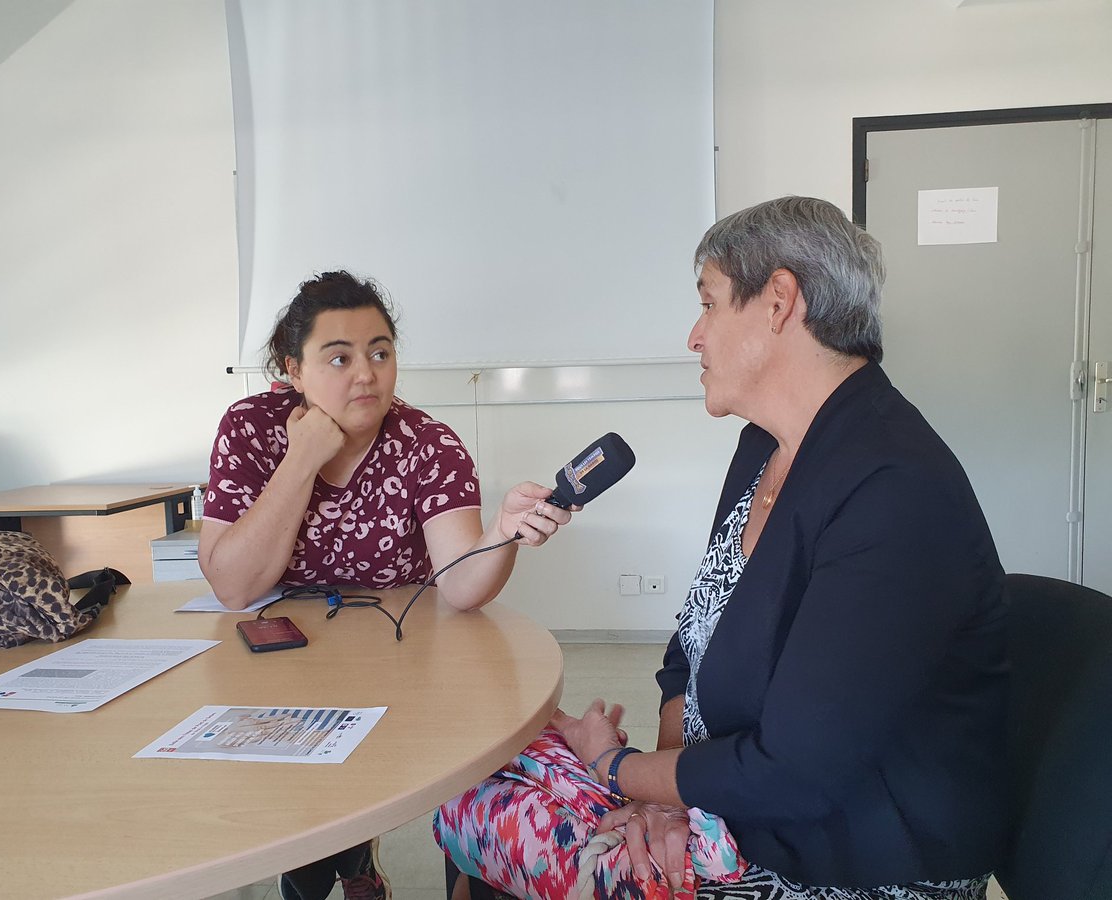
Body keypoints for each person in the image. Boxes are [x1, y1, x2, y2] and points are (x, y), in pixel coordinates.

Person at [446, 197, 1010, 900]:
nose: (693, 335)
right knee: (478, 767)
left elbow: (797, 772)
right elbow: (691, 655)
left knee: (484, 815)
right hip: (737, 804)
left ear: (778, 302)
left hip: (845, 860)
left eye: (708, 304)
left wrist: (619, 767)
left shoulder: (893, 490)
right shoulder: (765, 448)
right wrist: (663, 794)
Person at [198, 270, 574, 900]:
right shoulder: (252, 428)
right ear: (291, 369)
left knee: (376, 763)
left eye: (379, 352)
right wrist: (302, 458)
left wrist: (504, 531)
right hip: (277, 657)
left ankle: (338, 860)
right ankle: (333, 860)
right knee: (283, 772)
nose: (366, 374)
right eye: (338, 358)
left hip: (395, 658)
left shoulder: (427, 444)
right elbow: (233, 586)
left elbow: (459, 585)